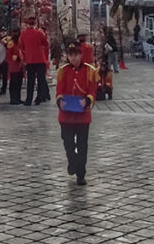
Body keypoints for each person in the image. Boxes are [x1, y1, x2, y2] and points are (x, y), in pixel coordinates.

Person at [56, 43, 99, 186]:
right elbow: (59, 90)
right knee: (68, 143)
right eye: (70, 55)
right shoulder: (63, 71)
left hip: (82, 116)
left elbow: (92, 91)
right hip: (66, 115)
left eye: (76, 55)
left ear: (81, 55)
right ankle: (72, 161)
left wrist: (87, 101)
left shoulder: (90, 71)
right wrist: (60, 100)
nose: (73, 58)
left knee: (82, 146)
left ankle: (81, 174)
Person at [19, 18, 51, 105]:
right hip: (40, 60)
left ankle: (28, 100)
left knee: (30, 81)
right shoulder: (39, 33)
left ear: (27, 24)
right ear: (35, 24)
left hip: (30, 60)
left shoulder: (23, 34)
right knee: (41, 80)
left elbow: (21, 46)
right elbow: (46, 44)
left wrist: (26, 54)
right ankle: (39, 99)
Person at [5, 28, 24, 105]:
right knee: (14, 83)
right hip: (13, 66)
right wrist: (15, 57)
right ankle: (13, 98)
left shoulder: (20, 43)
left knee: (19, 83)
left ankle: (18, 98)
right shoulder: (11, 44)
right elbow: (8, 55)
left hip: (20, 66)